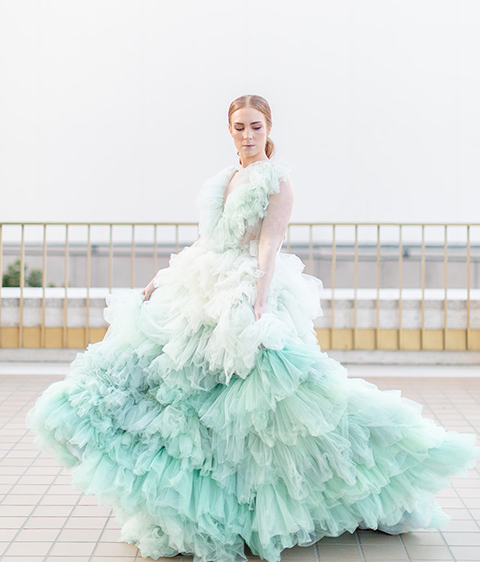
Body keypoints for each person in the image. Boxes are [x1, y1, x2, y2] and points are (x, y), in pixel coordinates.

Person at [27, 94, 480, 562]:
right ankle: (213, 507)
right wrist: (160, 280)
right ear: (230, 130)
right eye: (239, 127)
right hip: (202, 283)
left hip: (245, 288)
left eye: (256, 127)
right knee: (181, 394)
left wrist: (258, 299)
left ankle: (369, 478)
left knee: (274, 407)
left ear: (268, 129)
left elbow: (269, 242)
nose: (247, 135)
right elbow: (208, 240)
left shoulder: (276, 180)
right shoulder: (224, 179)